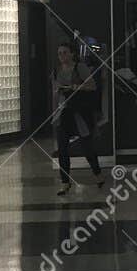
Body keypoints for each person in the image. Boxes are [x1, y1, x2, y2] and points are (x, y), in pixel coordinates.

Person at [52, 41, 105, 197]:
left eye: (65, 52)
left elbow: (92, 86)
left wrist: (76, 87)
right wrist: (55, 110)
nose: (62, 56)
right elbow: (54, 92)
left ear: (72, 54)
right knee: (62, 148)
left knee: (86, 145)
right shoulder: (56, 71)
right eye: (60, 53)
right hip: (64, 112)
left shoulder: (80, 68)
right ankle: (65, 181)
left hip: (80, 112)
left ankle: (97, 174)